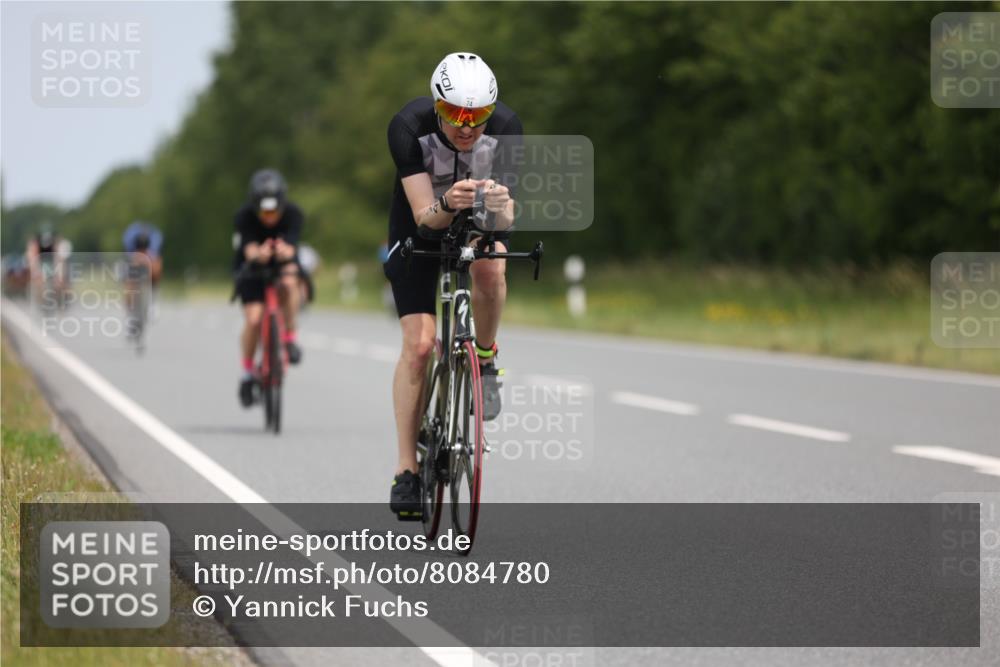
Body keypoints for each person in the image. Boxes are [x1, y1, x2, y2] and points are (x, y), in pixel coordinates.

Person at [382, 52, 522, 517]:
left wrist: (499, 206)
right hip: (420, 218)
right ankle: (406, 470)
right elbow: (424, 217)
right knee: (420, 346)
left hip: (475, 217)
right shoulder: (407, 126)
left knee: (492, 265)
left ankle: (484, 357)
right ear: (438, 107)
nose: (467, 127)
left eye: (478, 116)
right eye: (456, 115)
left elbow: (508, 218)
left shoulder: (507, 127)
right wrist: (448, 200)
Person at [233, 168, 305, 407]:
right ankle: (246, 373)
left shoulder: (294, 213)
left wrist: (286, 251)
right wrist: (259, 254)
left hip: (282, 264)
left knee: (290, 281)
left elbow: (294, 245)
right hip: (251, 268)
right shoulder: (244, 216)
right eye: (264, 210)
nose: (270, 216)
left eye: (274, 210)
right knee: (254, 318)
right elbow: (248, 248)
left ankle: (289, 336)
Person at [121, 220, 164, 336]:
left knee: (132, 287)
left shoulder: (153, 248)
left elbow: (156, 273)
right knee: (130, 286)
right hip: (136, 267)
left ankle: (151, 305)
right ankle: (132, 315)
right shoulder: (132, 247)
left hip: (146, 269)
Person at [25, 223, 70, 308]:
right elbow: (33, 257)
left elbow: (59, 258)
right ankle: (40, 299)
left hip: (52, 262)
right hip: (41, 262)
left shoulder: (55, 243)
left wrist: (60, 277)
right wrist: (36, 273)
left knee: (61, 279)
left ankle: (62, 297)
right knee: (37, 281)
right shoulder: (36, 242)